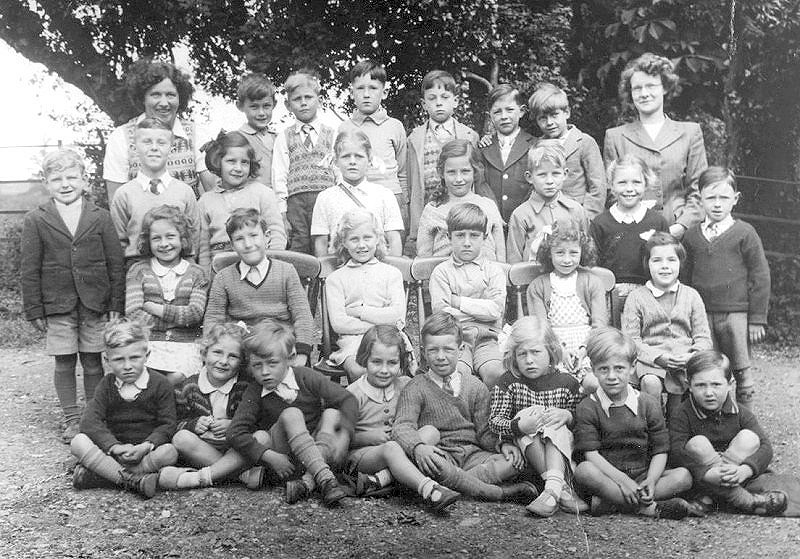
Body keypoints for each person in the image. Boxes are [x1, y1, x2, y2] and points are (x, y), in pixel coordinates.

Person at [21, 149, 125, 443]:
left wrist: (116, 303)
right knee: (64, 361)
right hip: (57, 304)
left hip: (96, 303)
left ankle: (92, 418)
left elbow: (115, 262)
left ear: (84, 179)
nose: (65, 184)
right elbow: (29, 269)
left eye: (71, 177)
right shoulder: (36, 219)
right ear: (46, 182)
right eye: (57, 179)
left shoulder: (100, 217)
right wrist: (34, 309)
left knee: (93, 360)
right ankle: (71, 418)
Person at [391, 312, 539, 504]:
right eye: (433, 350)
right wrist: (418, 448)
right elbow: (402, 426)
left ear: (461, 350)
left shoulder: (475, 386)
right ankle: (495, 493)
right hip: (439, 454)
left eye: (448, 349)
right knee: (435, 465)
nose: (441, 357)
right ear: (424, 352)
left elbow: (485, 432)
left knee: (513, 461)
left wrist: (503, 445)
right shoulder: (416, 386)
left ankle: (454, 485)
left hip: (472, 455)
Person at [573, 327, 701, 518]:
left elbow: (660, 449)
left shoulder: (647, 403)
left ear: (632, 367)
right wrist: (623, 481)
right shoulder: (588, 406)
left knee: (683, 476)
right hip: (608, 477)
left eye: (619, 368)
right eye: (603, 369)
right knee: (584, 471)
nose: (611, 376)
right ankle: (647, 508)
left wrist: (651, 479)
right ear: (593, 369)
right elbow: (592, 455)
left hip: (643, 475)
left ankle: (611, 503)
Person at [226, 319, 356, 506]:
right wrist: (269, 456)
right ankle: (326, 479)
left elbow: (348, 399)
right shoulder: (255, 390)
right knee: (291, 414)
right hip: (282, 462)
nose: (264, 372)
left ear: (290, 357)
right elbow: (234, 432)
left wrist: (344, 436)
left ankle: (307, 484)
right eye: (256, 365)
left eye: (272, 363)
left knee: (332, 414)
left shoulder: (305, 376)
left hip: (316, 453)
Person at [346, 325, 461, 513]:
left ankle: (381, 480)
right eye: (376, 362)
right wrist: (367, 436)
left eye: (392, 363)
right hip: (365, 454)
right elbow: (339, 437)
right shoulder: (352, 395)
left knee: (430, 432)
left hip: (399, 447)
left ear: (401, 362)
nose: (384, 370)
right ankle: (429, 489)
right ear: (364, 359)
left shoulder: (405, 385)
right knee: (391, 448)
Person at [682, 167, 770, 409]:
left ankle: (746, 422)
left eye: (724, 197)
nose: (717, 204)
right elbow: (685, 280)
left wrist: (757, 319)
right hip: (702, 315)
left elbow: (760, 276)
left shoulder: (745, 233)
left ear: (735, 199)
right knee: (708, 370)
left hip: (736, 315)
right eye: (711, 198)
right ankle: (714, 421)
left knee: (742, 373)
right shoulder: (691, 236)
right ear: (700, 199)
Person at [489, 316, 587, 517]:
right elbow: (495, 422)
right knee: (530, 414)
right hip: (527, 451)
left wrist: (568, 415)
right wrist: (519, 426)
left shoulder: (568, 383)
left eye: (535, 352)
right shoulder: (508, 383)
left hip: (562, 453)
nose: (529, 360)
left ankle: (551, 491)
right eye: (522, 354)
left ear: (551, 352)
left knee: (553, 419)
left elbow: (584, 420)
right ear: (513, 356)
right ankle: (562, 490)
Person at [669, 350, 787, 516]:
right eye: (700, 385)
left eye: (716, 385)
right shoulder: (682, 413)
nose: (709, 392)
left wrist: (745, 470)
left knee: (750, 438)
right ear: (689, 386)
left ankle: (711, 498)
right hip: (702, 477)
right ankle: (747, 502)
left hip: (735, 473)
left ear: (730, 383)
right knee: (698, 444)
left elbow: (766, 448)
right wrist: (706, 473)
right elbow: (676, 452)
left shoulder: (741, 412)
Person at [70, 318, 178, 499]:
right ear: (107, 359)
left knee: (170, 452)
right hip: (115, 452)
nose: (127, 366)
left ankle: (103, 475)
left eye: (134, 358)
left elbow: (168, 425)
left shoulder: (161, 384)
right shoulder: (106, 385)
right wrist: (114, 447)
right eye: (119, 359)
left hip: (145, 452)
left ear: (147, 355)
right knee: (78, 441)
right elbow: (89, 421)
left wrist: (146, 446)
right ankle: (134, 479)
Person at [603, 52, 707, 238]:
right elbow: (612, 192)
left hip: (681, 234)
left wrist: (681, 227)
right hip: (632, 234)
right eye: (637, 88)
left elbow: (699, 190)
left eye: (651, 86)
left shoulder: (690, 133)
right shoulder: (615, 137)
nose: (644, 94)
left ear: (665, 88)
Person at [203, 208, 314, 366]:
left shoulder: (286, 271)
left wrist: (302, 354)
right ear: (232, 245)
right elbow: (213, 319)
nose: (248, 244)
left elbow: (302, 316)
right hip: (242, 347)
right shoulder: (223, 278)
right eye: (239, 239)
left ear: (267, 237)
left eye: (254, 236)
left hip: (280, 344)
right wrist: (211, 350)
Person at [159, 323, 264, 490]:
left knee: (262, 436)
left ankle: (211, 475)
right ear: (204, 353)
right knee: (181, 438)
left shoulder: (246, 387)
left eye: (233, 356)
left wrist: (233, 425)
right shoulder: (188, 387)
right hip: (203, 449)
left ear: (242, 361)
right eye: (217, 352)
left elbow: (258, 419)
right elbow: (174, 423)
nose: (223, 361)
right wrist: (193, 424)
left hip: (236, 448)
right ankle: (239, 475)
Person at [621, 232, 712, 420]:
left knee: (687, 388)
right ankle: (655, 428)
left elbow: (703, 338)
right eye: (657, 260)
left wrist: (691, 357)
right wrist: (658, 357)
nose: (665, 266)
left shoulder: (692, 295)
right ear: (647, 263)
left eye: (671, 260)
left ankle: (677, 428)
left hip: (685, 361)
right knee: (651, 383)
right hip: (651, 362)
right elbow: (631, 340)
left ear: (680, 263)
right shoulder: (637, 297)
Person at [103, 59, 214, 200]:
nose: (164, 103)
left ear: (180, 98)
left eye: (170, 95)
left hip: (189, 219)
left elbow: (212, 193)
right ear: (143, 98)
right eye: (155, 94)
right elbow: (116, 200)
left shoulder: (197, 134)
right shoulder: (121, 137)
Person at [125, 205, 207, 385]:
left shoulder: (197, 273)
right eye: (156, 238)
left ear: (183, 238)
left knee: (177, 377)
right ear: (148, 241)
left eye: (170, 236)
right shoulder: (138, 271)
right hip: (149, 344)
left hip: (185, 345)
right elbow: (133, 315)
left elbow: (194, 314)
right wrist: (177, 318)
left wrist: (157, 309)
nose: (164, 244)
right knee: (145, 377)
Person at [429, 204, 506, 387]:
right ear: (449, 237)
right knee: (457, 374)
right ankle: (461, 414)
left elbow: (495, 310)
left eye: (474, 235)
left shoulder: (493, 271)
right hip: (455, 338)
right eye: (460, 235)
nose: (467, 242)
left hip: (488, 338)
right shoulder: (442, 272)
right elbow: (442, 314)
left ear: (485, 238)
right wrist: (481, 306)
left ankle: (490, 414)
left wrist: (457, 301)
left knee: (496, 373)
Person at [326, 210, 407, 382]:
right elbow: (339, 324)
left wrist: (358, 311)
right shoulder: (336, 279)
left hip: (388, 338)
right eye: (354, 239)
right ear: (344, 242)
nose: (361, 245)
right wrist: (381, 321)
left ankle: (390, 407)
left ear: (377, 238)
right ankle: (361, 407)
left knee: (394, 370)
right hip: (351, 341)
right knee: (358, 370)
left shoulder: (391, 274)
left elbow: (397, 315)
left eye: (367, 238)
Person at [527, 219, 606, 392]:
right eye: (560, 253)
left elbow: (599, 325)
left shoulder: (592, 282)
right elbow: (542, 328)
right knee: (559, 385)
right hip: (553, 345)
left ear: (582, 253)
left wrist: (583, 350)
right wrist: (560, 352)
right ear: (549, 254)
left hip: (587, 346)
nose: (567, 259)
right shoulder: (538, 286)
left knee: (593, 384)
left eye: (573, 253)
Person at [110, 118, 200, 268]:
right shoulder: (124, 194)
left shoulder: (184, 192)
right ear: (134, 147)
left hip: (179, 269)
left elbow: (193, 237)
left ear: (171, 149)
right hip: (138, 272)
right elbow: (118, 242)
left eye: (161, 142)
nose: (154, 148)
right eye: (146, 142)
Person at [407, 70, 483, 249]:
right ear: (424, 104)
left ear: (455, 101)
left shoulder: (469, 136)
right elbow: (411, 185)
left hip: (461, 214)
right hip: (429, 214)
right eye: (432, 98)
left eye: (444, 97)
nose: (438, 103)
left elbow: (477, 181)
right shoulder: (415, 138)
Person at [590, 154, 669, 326]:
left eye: (636, 182)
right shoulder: (600, 223)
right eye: (622, 182)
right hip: (610, 293)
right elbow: (593, 266)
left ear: (646, 184)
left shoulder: (658, 222)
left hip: (649, 293)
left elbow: (668, 259)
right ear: (611, 185)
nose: (629, 188)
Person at [197, 130, 286, 268]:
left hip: (258, 263)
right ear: (218, 162)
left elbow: (276, 232)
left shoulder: (262, 193)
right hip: (220, 267)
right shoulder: (206, 201)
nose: (238, 168)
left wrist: (271, 265)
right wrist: (206, 275)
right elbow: (203, 247)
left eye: (244, 162)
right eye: (231, 161)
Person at [272, 69, 337, 253]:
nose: (303, 103)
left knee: (326, 241)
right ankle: (300, 281)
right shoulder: (284, 137)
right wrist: (282, 213)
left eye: (308, 97)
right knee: (299, 242)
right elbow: (279, 175)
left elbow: (338, 170)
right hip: (296, 203)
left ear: (319, 100)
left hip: (325, 198)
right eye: (297, 99)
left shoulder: (332, 134)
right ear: (288, 105)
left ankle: (325, 280)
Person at [310, 130, 404, 256]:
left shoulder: (384, 195)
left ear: (369, 160)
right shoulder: (325, 198)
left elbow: (394, 239)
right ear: (336, 160)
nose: (352, 161)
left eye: (359, 156)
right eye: (346, 156)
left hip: (378, 269)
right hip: (339, 269)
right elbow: (320, 242)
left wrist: (391, 272)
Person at [339, 60, 408, 230]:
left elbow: (403, 170)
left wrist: (404, 203)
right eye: (360, 88)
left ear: (384, 92)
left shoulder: (395, 126)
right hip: (356, 195)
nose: (366, 94)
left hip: (391, 195)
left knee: (392, 245)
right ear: (352, 92)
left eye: (373, 88)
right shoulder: (345, 128)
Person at [416, 139, 505, 261]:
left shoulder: (488, 206)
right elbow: (423, 260)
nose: (458, 179)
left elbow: (501, 256)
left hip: (485, 277)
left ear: (474, 171)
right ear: (441, 173)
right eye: (451, 172)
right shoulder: (433, 210)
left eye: (465, 171)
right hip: (445, 278)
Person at [529, 83, 606, 218]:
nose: (549, 122)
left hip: (577, 215)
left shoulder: (584, 142)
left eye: (554, 115)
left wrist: (586, 219)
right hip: (545, 217)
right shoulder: (538, 146)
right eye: (542, 118)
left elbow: (598, 187)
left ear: (567, 113)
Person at [506, 144, 589, 264]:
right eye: (542, 175)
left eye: (555, 174)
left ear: (565, 174)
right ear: (529, 177)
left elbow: (586, 252)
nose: (549, 181)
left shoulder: (576, 210)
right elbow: (514, 259)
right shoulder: (521, 215)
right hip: (532, 280)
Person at [478, 84, 535, 223]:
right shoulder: (483, 147)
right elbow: (480, 183)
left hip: (526, 221)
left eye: (510, 110)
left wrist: (521, 216)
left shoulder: (535, 145)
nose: (504, 116)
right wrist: (493, 214)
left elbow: (536, 185)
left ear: (521, 111)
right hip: (491, 221)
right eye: (497, 112)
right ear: (489, 116)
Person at [236, 73, 278, 191]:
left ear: (274, 105)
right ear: (240, 106)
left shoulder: (279, 138)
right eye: (254, 107)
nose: (261, 113)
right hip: (252, 202)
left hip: (280, 202)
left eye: (266, 106)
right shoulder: (238, 139)